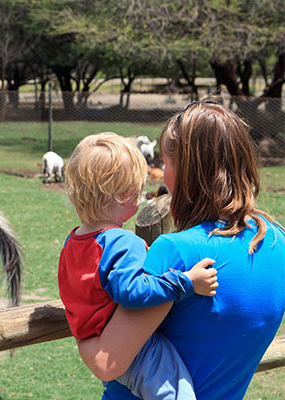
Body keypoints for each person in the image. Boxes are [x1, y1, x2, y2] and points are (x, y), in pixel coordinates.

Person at [75, 99, 285, 400]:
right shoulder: (277, 243)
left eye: (166, 162)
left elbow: (106, 362)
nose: (164, 173)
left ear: (187, 171)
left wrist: (79, 326)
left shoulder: (175, 252)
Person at [58, 132, 218, 399]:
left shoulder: (74, 240)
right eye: (138, 189)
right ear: (124, 196)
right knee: (178, 393)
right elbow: (132, 292)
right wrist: (188, 282)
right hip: (134, 351)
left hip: (98, 342)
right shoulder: (122, 242)